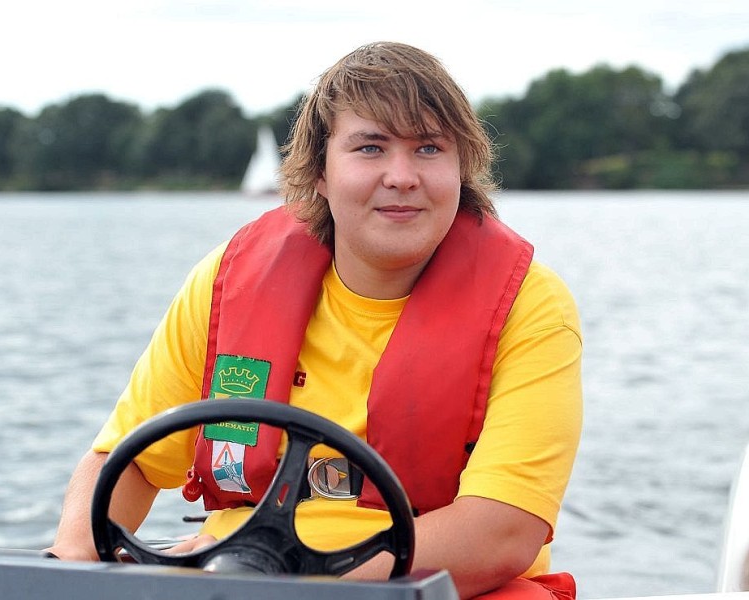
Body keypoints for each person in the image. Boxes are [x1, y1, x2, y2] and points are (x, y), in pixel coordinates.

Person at [47, 41, 583, 600]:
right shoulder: (228, 282)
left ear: (460, 168)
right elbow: (123, 463)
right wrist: (71, 563)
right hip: (232, 580)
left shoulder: (530, 306)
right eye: (370, 148)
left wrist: (275, 581)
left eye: (428, 148)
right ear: (320, 173)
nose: (401, 176)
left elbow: (502, 534)